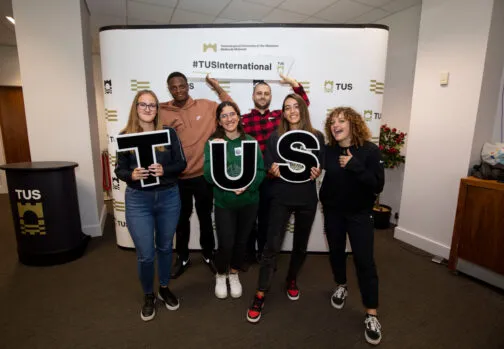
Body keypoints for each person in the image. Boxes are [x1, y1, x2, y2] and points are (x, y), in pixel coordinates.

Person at [246, 93, 324, 323]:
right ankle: (261, 293)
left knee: (300, 245)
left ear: (302, 109)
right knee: (271, 246)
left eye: (295, 106)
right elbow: (270, 165)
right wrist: (272, 170)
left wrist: (317, 171)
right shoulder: (276, 136)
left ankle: (291, 278)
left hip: (307, 198)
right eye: (287, 107)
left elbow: (319, 165)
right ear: (283, 112)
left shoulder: (317, 136)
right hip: (281, 196)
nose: (292, 110)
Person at [115, 90, 187, 321]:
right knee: (146, 255)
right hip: (139, 200)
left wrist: (165, 170)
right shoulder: (125, 135)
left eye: (152, 105)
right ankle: (149, 295)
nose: (148, 109)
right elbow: (120, 169)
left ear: (157, 109)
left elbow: (181, 163)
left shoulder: (168, 133)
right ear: (135, 107)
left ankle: (164, 288)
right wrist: (131, 174)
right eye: (143, 104)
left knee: (165, 247)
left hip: (168, 197)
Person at [319, 107, 384, 345]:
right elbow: (321, 173)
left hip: (359, 215)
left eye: (342, 121)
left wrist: (355, 165)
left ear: (353, 124)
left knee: (364, 262)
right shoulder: (328, 151)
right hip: (333, 213)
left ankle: (371, 313)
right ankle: (341, 285)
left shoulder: (369, 150)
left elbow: (377, 185)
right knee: (336, 253)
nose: (336, 125)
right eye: (333, 122)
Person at [159, 72, 232, 279]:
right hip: (177, 178)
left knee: (205, 218)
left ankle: (208, 254)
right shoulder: (162, 111)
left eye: (182, 86)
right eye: (174, 87)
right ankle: (182, 257)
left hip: (203, 176)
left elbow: (231, 107)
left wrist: (217, 87)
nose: (178, 90)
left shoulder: (207, 106)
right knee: (180, 220)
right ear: (169, 89)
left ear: (188, 86)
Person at [242, 74, 309, 267]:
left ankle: (264, 253)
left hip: (274, 178)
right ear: (253, 96)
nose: (263, 96)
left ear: (271, 97)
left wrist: (295, 84)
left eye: (266, 93)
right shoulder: (243, 120)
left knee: (267, 221)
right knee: (248, 219)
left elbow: (302, 105)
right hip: (252, 178)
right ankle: (247, 254)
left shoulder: (280, 118)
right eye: (259, 93)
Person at [203, 101, 265, 299]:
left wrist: (249, 186)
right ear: (219, 121)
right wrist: (216, 153)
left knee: (242, 242)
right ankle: (221, 274)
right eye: (224, 116)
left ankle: (234, 273)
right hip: (224, 203)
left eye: (232, 114)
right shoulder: (213, 143)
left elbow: (260, 171)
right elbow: (207, 175)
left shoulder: (250, 141)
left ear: (238, 117)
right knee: (226, 243)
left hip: (249, 202)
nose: (229, 119)